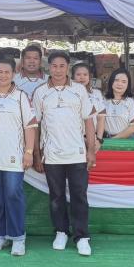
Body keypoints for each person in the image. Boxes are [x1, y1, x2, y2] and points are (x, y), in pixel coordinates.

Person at [32, 51, 97, 256]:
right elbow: (36, 125)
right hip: (52, 154)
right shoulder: (40, 92)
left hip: (77, 153)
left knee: (79, 196)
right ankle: (61, 232)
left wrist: (91, 150)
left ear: (68, 67)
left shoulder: (79, 90)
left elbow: (88, 121)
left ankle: (82, 236)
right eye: (54, 66)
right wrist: (36, 154)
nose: (58, 70)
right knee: (56, 196)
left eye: (62, 66)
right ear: (48, 68)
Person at [0, 58, 37, 256]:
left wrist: (29, 152)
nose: (3, 75)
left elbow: (30, 126)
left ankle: (18, 237)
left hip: (14, 156)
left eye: (7, 72)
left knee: (13, 194)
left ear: (14, 74)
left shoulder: (21, 97)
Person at [71, 63, 106, 151]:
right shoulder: (69, 94)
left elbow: (101, 118)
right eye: (78, 74)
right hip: (74, 139)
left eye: (85, 74)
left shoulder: (97, 93)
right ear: (73, 77)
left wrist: (99, 139)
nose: (82, 77)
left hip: (94, 139)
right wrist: (84, 140)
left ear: (90, 77)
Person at [101, 69, 134, 140]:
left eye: (124, 82)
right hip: (105, 140)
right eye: (116, 80)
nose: (119, 84)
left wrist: (114, 139)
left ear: (128, 85)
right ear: (111, 82)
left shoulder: (132, 102)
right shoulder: (102, 100)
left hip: (126, 141)